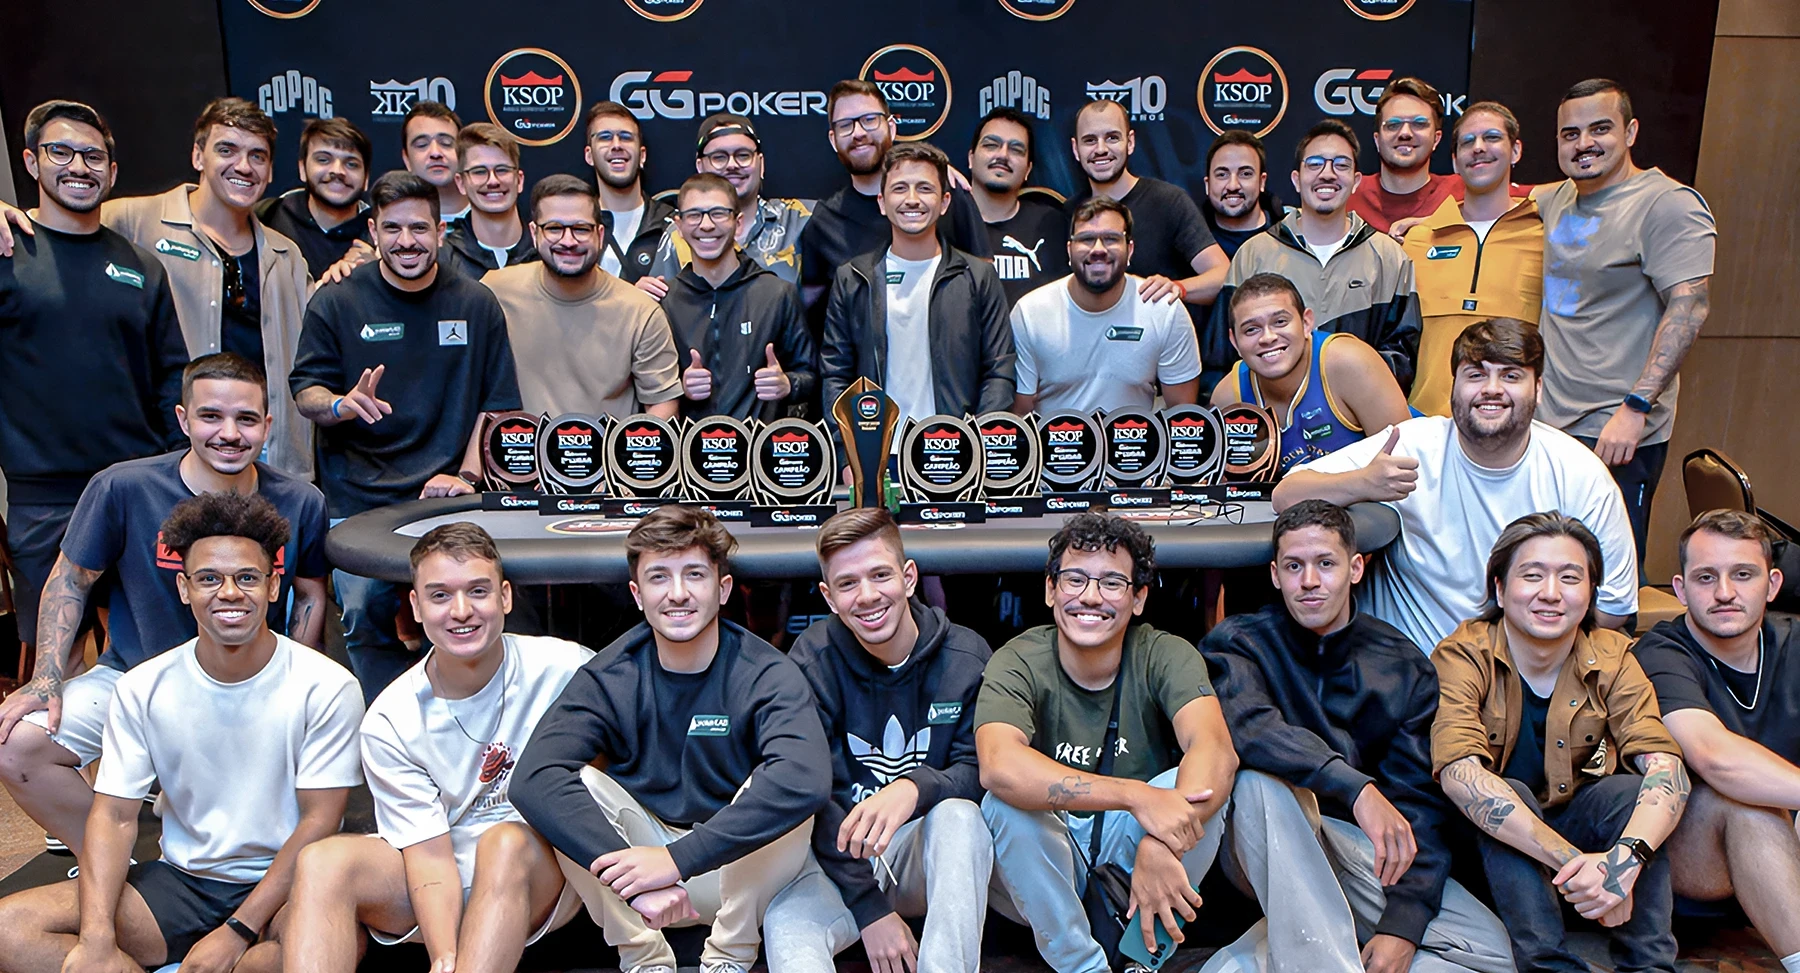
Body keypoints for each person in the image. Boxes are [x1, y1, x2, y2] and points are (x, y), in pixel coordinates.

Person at [0, 491, 363, 973]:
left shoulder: (328, 686)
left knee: (303, 957)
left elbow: (318, 823)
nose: (229, 593)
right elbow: (113, 820)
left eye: (247, 578)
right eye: (209, 578)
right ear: (183, 590)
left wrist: (236, 934)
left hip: (288, 887)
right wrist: (97, 940)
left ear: (274, 588)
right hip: (182, 883)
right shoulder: (143, 686)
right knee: (10, 929)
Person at [0, 351, 330, 855]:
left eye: (246, 419)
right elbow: (69, 580)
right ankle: (111, 866)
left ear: (267, 425)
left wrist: (297, 680)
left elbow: (308, 593)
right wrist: (45, 680)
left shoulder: (301, 500)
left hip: (252, 686)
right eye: (211, 416)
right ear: (183, 419)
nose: (229, 433)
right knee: (18, 745)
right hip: (134, 679)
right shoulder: (123, 487)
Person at [1198, 500, 1512, 973]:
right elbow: (1251, 730)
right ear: (1274, 575)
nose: (1309, 581)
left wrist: (1400, 927)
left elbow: (1418, 808)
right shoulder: (1238, 642)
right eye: (1294, 566)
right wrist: (1357, 787)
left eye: (1325, 564)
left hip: (1359, 849)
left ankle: (1265, 959)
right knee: (1257, 784)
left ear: (1356, 567)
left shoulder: (1402, 664)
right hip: (1269, 846)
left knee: (1492, 954)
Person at [512, 506, 829, 973]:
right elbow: (532, 779)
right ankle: (644, 959)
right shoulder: (611, 673)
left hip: (736, 872)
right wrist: (643, 879)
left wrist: (677, 860)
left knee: (784, 784)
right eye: (659, 577)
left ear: (722, 590)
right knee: (574, 787)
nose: (677, 594)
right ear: (638, 595)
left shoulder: (767, 672)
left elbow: (807, 780)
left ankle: (728, 958)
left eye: (694, 575)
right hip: (644, 885)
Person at [279, 523, 591, 973]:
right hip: (435, 876)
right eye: (440, 595)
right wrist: (444, 954)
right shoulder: (390, 718)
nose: (461, 611)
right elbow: (428, 856)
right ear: (417, 606)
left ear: (505, 597)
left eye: (478, 591)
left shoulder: (566, 668)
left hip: (537, 872)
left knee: (503, 844)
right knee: (324, 862)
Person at [290, 170, 521, 701]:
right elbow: (306, 390)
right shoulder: (337, 301)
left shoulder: (475, 303)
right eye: (392, 228)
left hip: (448, 495)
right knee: (364, 618)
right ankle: (389, 730)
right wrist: (341, 405)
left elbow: (499, 406)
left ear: (441, 231)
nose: (407, 241)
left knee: (465, 613)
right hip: (359, 496)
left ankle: (462, 725)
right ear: (373, 230)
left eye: (419, 228)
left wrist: (465, 475)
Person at [1273, 317, 1638, 652]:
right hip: (1408, 676)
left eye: (1511, 376)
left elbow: (1613, 608)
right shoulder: (1412, 445)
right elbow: (1286, 494)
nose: (1491, 389)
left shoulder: (1580, 474)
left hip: (1520, 677)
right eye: (1475, 375)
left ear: (1538, 389)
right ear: (1455, 385)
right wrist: (1362, 483)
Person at [0, 97, 315, 477]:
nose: (243, 166)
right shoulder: (131, 219)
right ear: (198, 156)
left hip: (265, 452)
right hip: (172, 454)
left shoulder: (287, 255)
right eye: (226, 150)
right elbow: (61, 227)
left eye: (258, 156)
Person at [978, 513, 1238, 972]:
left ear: (1138, 598)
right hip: (1050, 860)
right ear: (1050, 590)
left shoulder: (1165, 653)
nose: (1090, 597)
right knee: (1004, 804)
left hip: (1136, 851)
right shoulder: (1017, 658)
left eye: (1113, 583)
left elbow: (1216, 750)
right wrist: (1136, 796)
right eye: (1075, 579)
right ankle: (1083, 968)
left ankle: (1143, 959)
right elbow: (999, 764)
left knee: (1194, 783)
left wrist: (1161, 843)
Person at [1432, 512, 1689, 972]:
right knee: (1508, 793)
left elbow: (1667, 769)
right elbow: (1460, 774)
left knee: (1628, 792)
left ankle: (1649, 966)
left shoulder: (1614, 657)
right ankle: (1549, 966)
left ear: (1590, 592)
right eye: (1532, 575)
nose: (1551, 593)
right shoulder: (1463, 654)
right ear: (1499, 588)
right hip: (1487, 858)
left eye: (1570, 578)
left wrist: (1623, 864)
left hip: (1579, 836)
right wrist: (1581, 868)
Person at [763, 507, 994, 973]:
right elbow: (812, 794)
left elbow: (981, 773)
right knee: (786, 922)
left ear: (909, 578)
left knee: (959, 817)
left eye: (880, 575)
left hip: (925, 854)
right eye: (848, 584)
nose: (867, 596)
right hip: (838, 861)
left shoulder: (965, 655)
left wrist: (913, 788)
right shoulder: (811, 660)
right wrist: (870, 909)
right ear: (828, 597)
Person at [0, 99, 187, 661]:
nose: (79, 166)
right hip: (43, 498)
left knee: (153, 650)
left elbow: (172, 377)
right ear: (32, 163)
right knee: (54, 663)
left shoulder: (141, 266)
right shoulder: (7, 251)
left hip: (134, 490)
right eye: (62, 152)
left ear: (111, 172)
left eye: (93, 156)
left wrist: (174, 475)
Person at [1536, 78, 1716, 565]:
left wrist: (1636, 407)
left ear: (1631, 131)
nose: (1584, 144)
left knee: (1607, 577)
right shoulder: (1554, 200)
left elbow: (1689, 307)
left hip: (1619, 429)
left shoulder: (1667, 204)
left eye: (1600, 129)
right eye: (1570, 134)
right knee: (1546, 567)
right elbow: (1490, 200)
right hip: (1549, 425)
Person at [1633, 510, 1800, 972]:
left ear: (1771, 584)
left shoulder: (1794, 643)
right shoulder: (1660, 653)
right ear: (1681, 590)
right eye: (1706, 577)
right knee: (1751, 806)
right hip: (1692, 857)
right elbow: (1714, 758)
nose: (1725, 592)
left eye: (1743, 574)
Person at [1206, 120, 1420, 393]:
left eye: (1341, 165)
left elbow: (1402, 358)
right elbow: (1222, 356)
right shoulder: (1254, 254)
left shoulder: (1389, 257)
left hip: (1361, 425)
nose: (1327, 174)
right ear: (1296, 179)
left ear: (1356, 181)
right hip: (1271, 423)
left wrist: (1348, 396)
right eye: (1315, 163)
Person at [821, 143, 1014, 427]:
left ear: (945, 202)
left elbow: (999, 371)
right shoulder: (853, 278)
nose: (912, 199)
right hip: (877, 456)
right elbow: (836, 375)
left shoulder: (978, 277)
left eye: (925, 188)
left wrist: (975, 445)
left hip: (954, 453)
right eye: (900, 188)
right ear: (882, 203)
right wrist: (848, 455)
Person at [482, 174, 680, 422]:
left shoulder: (640, 312)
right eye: (554, 228)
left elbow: (662, 403)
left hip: (607, 459)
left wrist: (623, 456)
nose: (568, 241)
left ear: (599, 234)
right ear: (534, 233)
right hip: (518, 457)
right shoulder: (494, 292)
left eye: (580, 229)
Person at [1400, 101, 1541, 418]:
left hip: (1516, 425)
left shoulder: (1545, 235)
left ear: (1515, 150)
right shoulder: (1419, 239)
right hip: (1426, 424)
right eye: (1467, 142)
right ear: (1454, 161)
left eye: (1492, 138)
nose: (1478, 148)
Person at [800, 80, 991, 309]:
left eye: (869, 120)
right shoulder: (824, 223)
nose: (858, 133)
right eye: (845, 125)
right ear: (833, 139)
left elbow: (986, 288)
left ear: (891, 127)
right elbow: (813, 312)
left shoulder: (948, 194)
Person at [1009, 197, 1199, 416]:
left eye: (1111, 239)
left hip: (1134, 446)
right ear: (1069, 250)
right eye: (1086, 239)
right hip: (1052, 447)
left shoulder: (1163, 309)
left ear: (1130, 249)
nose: (1098, 249)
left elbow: (1182, 415)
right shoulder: (1030, 313)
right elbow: (1020, 415)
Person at [1208, 272, 1410, 476]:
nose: (1268, 337)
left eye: (1280, 322)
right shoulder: (1229, 397)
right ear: (1234, 341)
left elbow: (1407, 462)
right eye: (1251, 329)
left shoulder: (1349, 362)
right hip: (1293, 505)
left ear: (1306, 323)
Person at [660, 173, 815, 422]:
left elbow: (811, 375)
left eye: (718, 213)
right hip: (691, 456)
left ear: (739, 223)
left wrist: (787, 384)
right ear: (679, 226)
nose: (707, 225)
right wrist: (680, 388)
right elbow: (647, 388)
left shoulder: (777, 294)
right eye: (694, 215)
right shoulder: (665, 302)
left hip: (762, 454)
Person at [1064, 99, 1228, 319]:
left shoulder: (1168, 201)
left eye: (1112, 138)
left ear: (1130, 142)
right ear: (1076, 149)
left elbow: (1222, 274)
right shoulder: (1068, 213)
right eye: (1090, 140)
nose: (1101, 149)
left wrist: (1177, 288)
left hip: (1158, 347)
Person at [642, 113, 815, 289]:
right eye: (719, 157)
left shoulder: (799, 218)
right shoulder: (680, 234)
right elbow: (658, 303)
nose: (732, 165)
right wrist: (639, 298)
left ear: (761, 164)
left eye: (743, 155)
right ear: (700, 167)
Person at [969, 106, 1069, 306]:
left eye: (1016, 149)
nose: (1003, 155)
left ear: (1028, 169)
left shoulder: (1053, 226)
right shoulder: (942, 224)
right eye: (991, 145)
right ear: (971, 158)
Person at [255, 116, 372, 279]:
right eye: (324, 160)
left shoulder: (381, 233)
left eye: (351, 164)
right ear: (302, 169)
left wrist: (376, 275)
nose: (338, 170)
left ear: (366, 178)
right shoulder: (267, 218)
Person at [1347, 78, 1465, 235]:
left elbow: (1507, 219)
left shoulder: (1463, 190)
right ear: (1377, 140)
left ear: (1436, 139)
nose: (1405, 133)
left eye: (1419, 124)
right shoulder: (1349, 193)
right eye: (1393, 125)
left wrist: (1434, 224)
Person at [584, 100, 675, 282]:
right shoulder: (576, 227)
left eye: (626, 137)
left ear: (642, 155)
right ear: (589, 155)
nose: (616, 145)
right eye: (605, 137)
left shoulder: (672, 225)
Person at [443, 123, 537, 275]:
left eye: (502, 170)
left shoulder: (546, 251)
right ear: (461, 183)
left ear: (519, 180)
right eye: (479, 171)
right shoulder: (444, 260)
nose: (493, 181)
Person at [1201, 130, 1280, 260]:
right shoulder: (1190, 242)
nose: (1233, 186)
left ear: (1262, 181)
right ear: (1207, 184)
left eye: (1245, 174)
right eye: (1222, 175)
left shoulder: (1289, 236)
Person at [402, 101, 468, 224]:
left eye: (446, 143)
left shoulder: (489, 211)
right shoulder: (390, 221)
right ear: (407, 159)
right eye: (422, 145)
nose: (435, 153)